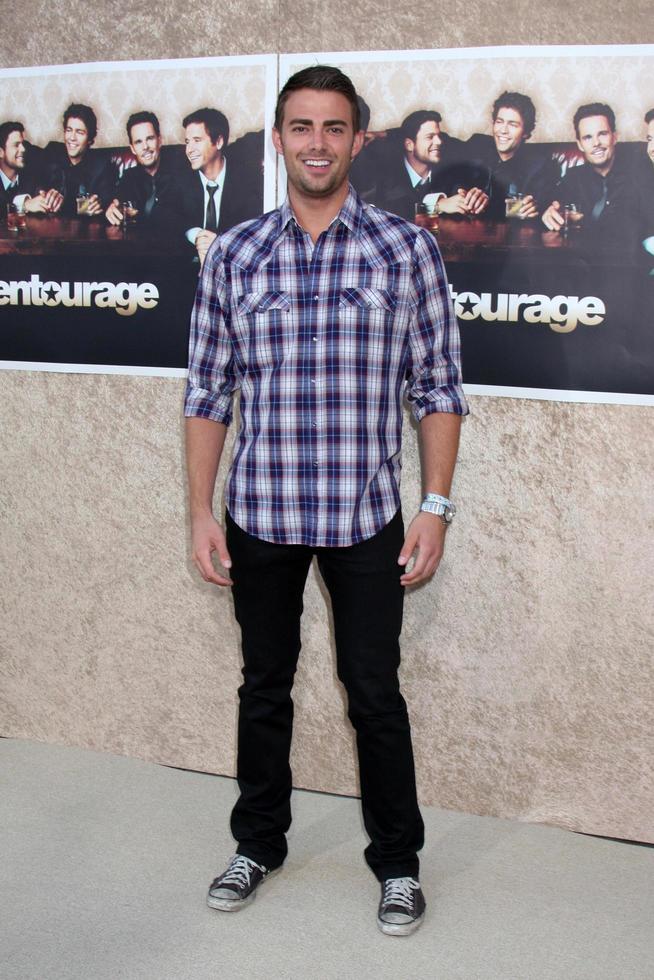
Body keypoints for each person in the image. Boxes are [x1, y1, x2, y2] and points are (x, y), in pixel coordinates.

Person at [184, 65, 468, 937]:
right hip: (259, 512)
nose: (317, 142)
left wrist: (436, 506)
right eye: (300, 126)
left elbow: (439, 388)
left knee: (373, 691)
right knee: (264, 686)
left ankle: (398, 864)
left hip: (364, 517)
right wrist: (200, 509)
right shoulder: (236, 252)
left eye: (333, 127)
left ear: (358, 139)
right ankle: (258, 843)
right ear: (278, 139)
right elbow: (208, 392)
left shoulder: (407, 249)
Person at [359, 108, 488, 220]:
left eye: (438, 136)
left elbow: (477, 147)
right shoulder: (389, 172)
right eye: (430, 137)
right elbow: (389, 210)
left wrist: (475, 201)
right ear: (409, 145)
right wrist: (437, 205)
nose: (438, 141)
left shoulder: (449, 168)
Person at [541, 103, 640, 245]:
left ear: (615, 137)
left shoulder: (636, 174)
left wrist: (584, 220)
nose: (596, 143)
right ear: (580, 144)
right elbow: (552, 204)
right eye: (588, 137)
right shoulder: (573, 177)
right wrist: (549, 213)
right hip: (579, 261)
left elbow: (630, 229)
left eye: (602, 134)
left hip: (622, 262)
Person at [178, 107, 261, 264]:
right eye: (187, 142)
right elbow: (166, 219)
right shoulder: (180, 176)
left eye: (197, 140)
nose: (189, 150)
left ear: (219, 141)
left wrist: (220, 243)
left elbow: (254, 231)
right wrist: (196, 236)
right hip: (188, 270)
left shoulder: (246, 180)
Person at [465, 91, 559, 218]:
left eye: (512, 124)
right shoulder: (476, 145)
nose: (503, 130)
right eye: (499, 122)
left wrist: (534, 208)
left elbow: (538, 205)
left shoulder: (540, 166)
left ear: (526, 132)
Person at [105, 111, 180, 230]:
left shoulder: (180, 173)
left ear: (159, 141)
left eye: (150, 138)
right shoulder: (129, 177)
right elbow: (117, 204)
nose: (145, 147)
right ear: (133, 149)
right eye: (138, 142)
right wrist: (112, 210)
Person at [42, 103, 116, 216]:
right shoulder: (52, 152)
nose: (72, 137)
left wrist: (96, 205)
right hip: (48, 228)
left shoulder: (102, 166)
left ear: (90, 139)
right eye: (69, 130)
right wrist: (30, 201)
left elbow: (103, 201)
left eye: (79, 132)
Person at [0, 121, 62, 213]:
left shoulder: (32, 176)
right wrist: (23, 205)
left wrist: (53, 197)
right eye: (16, 145)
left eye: (22, 144)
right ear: (1, 152)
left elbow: (57, 169)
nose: (23, 149)